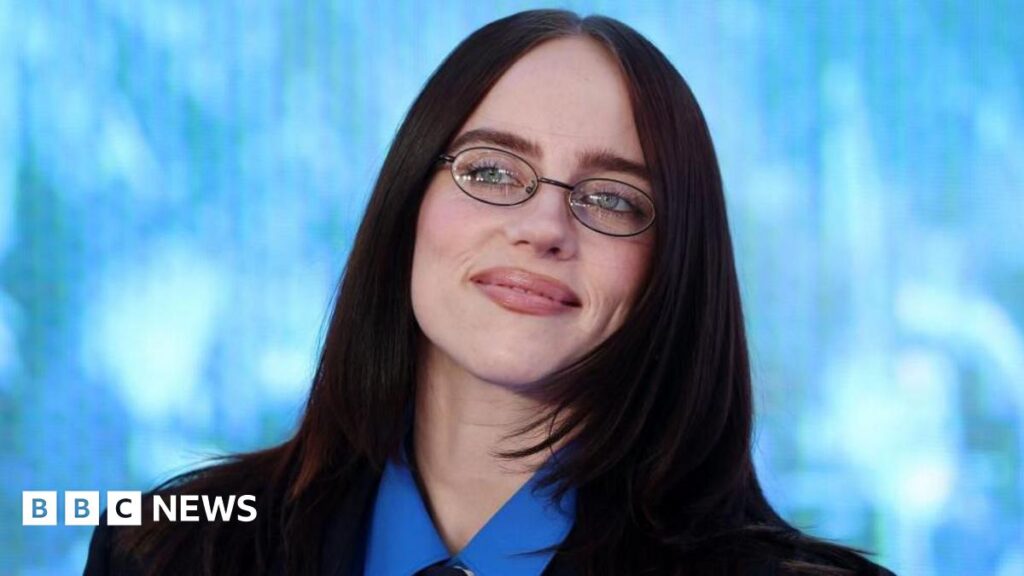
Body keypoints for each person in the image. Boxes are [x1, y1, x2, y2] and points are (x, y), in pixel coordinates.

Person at [84, 9, 896, 576]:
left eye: (612, 197)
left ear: (673, 269)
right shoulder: (167, 548)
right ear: (407, 206)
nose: (544, 225)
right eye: (490, 172)